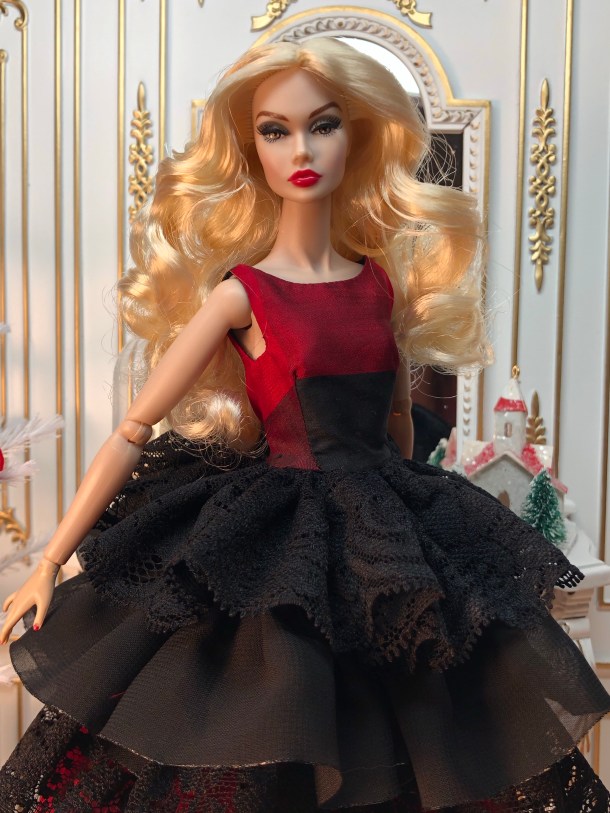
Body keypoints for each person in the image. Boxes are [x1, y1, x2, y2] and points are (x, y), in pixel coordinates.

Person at [0, 37, 608, 813]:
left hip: (385, 533)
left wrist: (406, 535)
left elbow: (397, 419)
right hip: (280, 530)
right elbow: (133, 428)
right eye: (274, 130)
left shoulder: (379, 285)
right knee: (274, 715)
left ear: (356, 135)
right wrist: (51, 559)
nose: (300, 150)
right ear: (251, 148)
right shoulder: (241, 295)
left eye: (322, 125)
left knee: (415, 735)